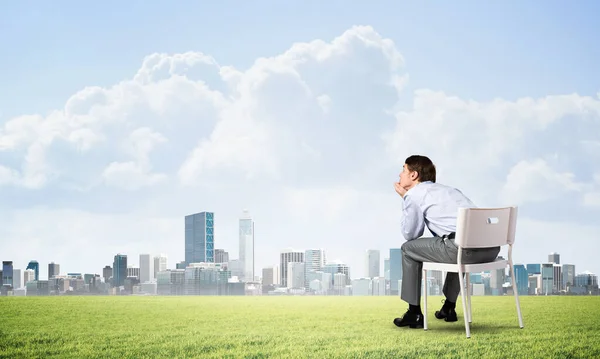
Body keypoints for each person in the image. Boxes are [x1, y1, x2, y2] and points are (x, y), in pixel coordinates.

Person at [392, 155, 500, 329]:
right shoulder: (451, 190)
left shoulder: (413, 195)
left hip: (465, 251)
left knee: (407, 249)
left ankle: (414, 313)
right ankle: (449, 307)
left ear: (414, 175)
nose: (399, 174)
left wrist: (405, 199)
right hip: (491, 249)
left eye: (403, 170)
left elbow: (411, 234)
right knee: (456, 242)